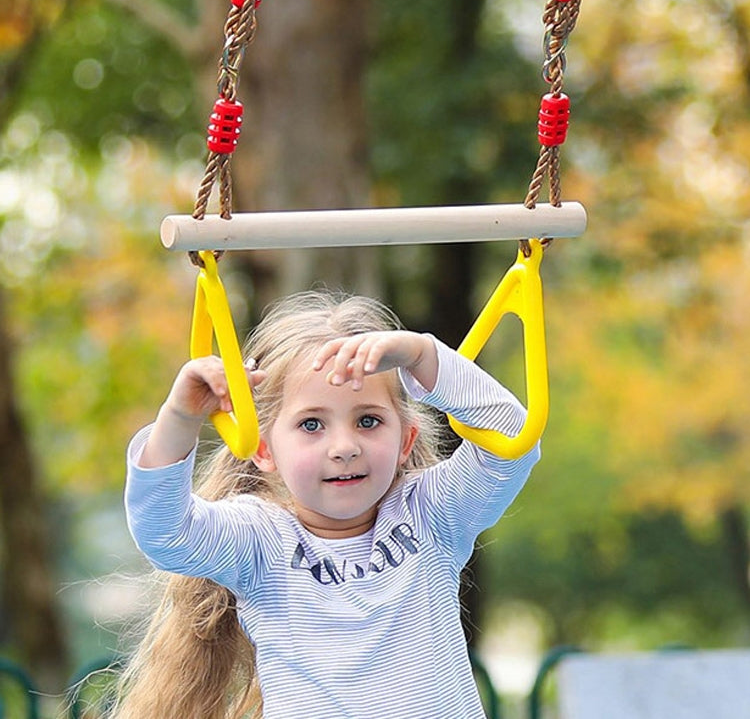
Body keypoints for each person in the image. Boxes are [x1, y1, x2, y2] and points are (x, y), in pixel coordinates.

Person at [117, 289, 540, 719]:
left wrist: (423, 355)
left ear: (405, 441)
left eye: (368, 420)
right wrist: (181, 416)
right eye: (311, 424)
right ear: (264, 450)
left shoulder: (433, 514)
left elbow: (512, 442)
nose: (344, 447)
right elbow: (164, 531)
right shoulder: (258, 542)